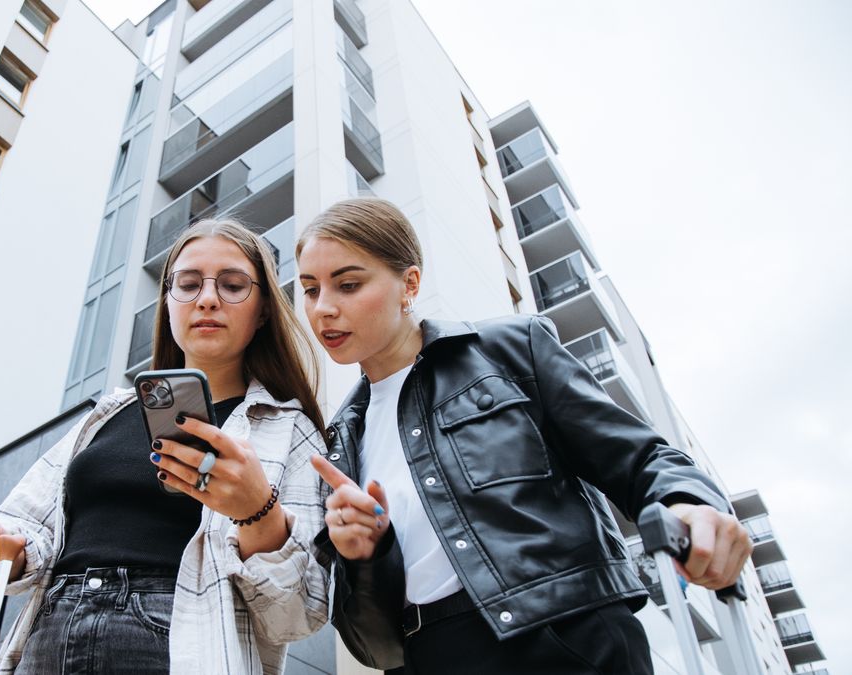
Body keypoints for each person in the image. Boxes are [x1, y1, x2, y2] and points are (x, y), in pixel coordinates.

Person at [295, 197, 753, 674]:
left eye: (348, 284)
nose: (323, 308)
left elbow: (640, 458)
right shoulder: (342, 439)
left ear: (409, 284)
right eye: (309, 289)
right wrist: (367, 553)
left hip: (566, 642)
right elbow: (372, 639)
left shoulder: (511, 350)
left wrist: (691, 503)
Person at [0, 219, 329, 675]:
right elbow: (25, 527)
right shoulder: (106, 414)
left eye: (232, 285)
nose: (207, 298)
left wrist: (258, 511)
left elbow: (298, 613)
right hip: (49, 634)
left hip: (183, 642)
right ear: (168, 302)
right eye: (188, 284)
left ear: (264, 308)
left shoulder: (289, 429)